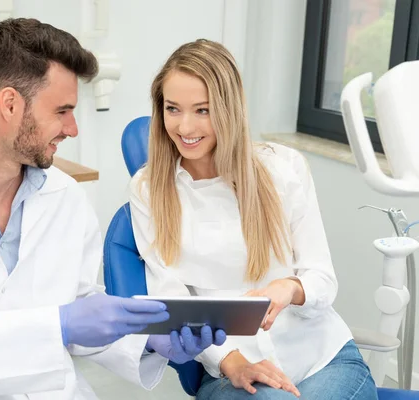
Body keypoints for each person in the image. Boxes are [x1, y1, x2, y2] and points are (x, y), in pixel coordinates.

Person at [0, 19, 225, 400]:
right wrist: (58, 325)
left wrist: (146, 344)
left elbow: (80, 313)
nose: (73, 128)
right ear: (10, 104)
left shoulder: (65, 196)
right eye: (62, 111)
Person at [129, 39, 379, 399]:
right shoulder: (148, 189)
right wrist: (230, 360)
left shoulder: (283, 168)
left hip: (322, 357)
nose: (185, 126)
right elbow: (171, 296)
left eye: (203, 110)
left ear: (229, 109)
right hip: (230, 369)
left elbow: (322, 278)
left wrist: (291, 288)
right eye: (173, 109)